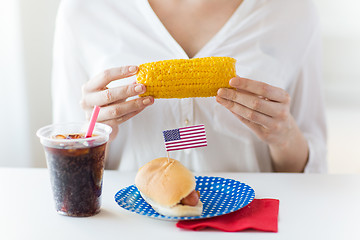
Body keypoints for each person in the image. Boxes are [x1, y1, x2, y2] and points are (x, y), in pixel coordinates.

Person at [52, 0, 327, 172]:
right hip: (130, 223)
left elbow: (311, 171)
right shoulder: (83, 10)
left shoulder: (293, 11)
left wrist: (285, 137)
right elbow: (67, 163)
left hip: (249, 223)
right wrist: (94, 135)